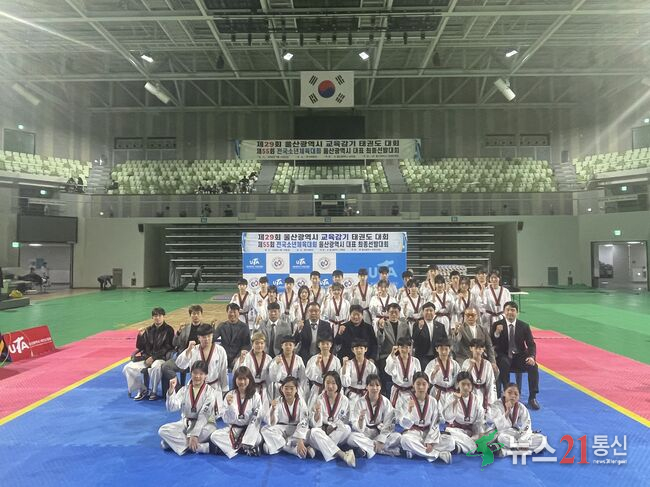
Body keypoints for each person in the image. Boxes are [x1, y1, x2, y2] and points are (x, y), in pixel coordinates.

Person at [159, 361, 220, 455]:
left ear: (206, 375)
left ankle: (175, 443)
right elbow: (172, 408)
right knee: (163, 430)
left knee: (209, 432)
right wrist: (171, 391)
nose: (197, 376)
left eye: (201, 374)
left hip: (205, 425)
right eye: (195, 373)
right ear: (191, 373)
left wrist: (194, 435)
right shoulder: (184, 390)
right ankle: (201, 447)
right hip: (186, 423)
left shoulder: (211, 392)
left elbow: (204, 415)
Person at [491, 301, 540, 410]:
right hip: (503, 355)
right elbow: (492, 343)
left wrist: (531, 357)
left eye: (513, 310)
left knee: (533, 366)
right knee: (504, 363)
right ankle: (507, 395)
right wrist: (497, 333)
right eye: (508, 310)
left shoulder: (524, 326)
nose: (510, 312)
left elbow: (531, 344)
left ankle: (532, 397)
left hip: (519, 357)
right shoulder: (497, 325)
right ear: (504, 312)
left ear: (517, 313)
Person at [397, 371, 454, 464]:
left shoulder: (433, 401)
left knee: (450, 441)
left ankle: (415, 451)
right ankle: (437, 454)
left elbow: (435, 423)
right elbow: (403, 425)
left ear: (428, 385)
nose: (421, 387)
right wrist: (409, 410)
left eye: (424, 384)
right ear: (413, 385)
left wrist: (430, 441)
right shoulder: (406, 400)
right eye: (418, 384)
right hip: (413, 433)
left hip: (428, 432)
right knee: (405, 440)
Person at [210, 366, 264, 457]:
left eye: (245, 379)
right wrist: (229, 406)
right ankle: (243, 448)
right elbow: (226, 420)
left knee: (258, 438)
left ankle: (233, 446)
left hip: (248, 429)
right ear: (235, 380)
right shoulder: (230, 395)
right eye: (239, 379)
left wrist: (249, 437)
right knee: (214, 436)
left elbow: (257, 417)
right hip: (233, 429)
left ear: (250, 379)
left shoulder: (255, 396)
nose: (242, 382)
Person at [123, 307, 174, 400]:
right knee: (128, 368)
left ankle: (154, 391)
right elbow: (140, 346)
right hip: (146, 357)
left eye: (160, 315)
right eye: (155, 316)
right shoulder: (148, 330)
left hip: (160, 357)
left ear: (163, 316)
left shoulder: (169, 330)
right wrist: (140, 336)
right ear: (152, 317)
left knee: (155, 367)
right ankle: (142, 389)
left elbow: (168, 347)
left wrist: (153, 357)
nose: (157, 318)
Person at [308, 371, 356, 467]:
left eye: (333, 383)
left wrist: (333, 426)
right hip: (322, 430)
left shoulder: (344, 400)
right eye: (328, 383)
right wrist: (317, 414)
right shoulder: (319, 398)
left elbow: (344, 420)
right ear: (324, 384)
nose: (330, 386)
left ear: (338, 384)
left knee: (347, 428)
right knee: (314, 431)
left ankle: (317, 448)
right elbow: (315, 423)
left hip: (336, 432)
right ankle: (342, 454)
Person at [347, 374, 401, 458]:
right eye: (371, 385)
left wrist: (381, 439)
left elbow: (389, 422)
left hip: (379, 432)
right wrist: (360, 421)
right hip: (364, 433)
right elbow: (355, 423)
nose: (374, 388)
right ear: (366, 387)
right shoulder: (360, 402)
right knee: (351, 438)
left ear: (380, 387)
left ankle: (367, 448)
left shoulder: (386, 402)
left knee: (398, 437)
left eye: (377, 385)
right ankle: (379, 448)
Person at [161, 305, 210, 395]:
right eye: (193, 314)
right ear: (190, 315)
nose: (195, 316)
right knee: (165, 366)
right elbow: (174, 343)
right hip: (184, 357)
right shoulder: (185, 328)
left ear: (201, 315)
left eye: (198, 314)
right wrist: (178, 332)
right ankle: (178, 388)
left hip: (199, 359)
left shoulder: (205, 329)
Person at [487, 383, 546, 456]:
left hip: (516, 434)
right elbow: (499, 426)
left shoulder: (521, 407)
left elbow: (527, 425)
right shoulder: (496, 405)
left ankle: (505, 451)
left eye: (516, 394)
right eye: (509, 393)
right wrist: (507, 411)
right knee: (501, 438)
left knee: (542, 439)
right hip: (502, 433)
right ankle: (525, 450)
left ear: (519, 396)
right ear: (504, 393)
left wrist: (522, 440)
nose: (513, 396)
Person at [261, 376, 312, 458]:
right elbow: (272, 423)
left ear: (296, 389)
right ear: (282, 389)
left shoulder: (301, 402)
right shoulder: (277, 401)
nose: (288, 391)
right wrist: (272, 410)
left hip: (296, 430)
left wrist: (300, 440)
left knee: (267, 448)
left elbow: (304, 421)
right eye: (286, 388)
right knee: (265, 429)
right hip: (281, 429)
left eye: (291, 388)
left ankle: (277, 445)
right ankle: (293, 449)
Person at [175, 323, 228, 396]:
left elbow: (223, 371)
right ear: (199, 337)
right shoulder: (193, 350)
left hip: (214, 387)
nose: (207, 339)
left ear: (212, 335)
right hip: (195, 386)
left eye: (209, 336)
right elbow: (181, 365)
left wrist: (225, 390)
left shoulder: (220, 350)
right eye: (203, 337)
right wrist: (188, 350)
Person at [441, 371, 486, 454]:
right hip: (456, 430)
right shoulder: (451, 397)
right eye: (463, 384)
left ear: (472, 386)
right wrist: (455, 402)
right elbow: (447, 418)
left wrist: (481, 435)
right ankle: (470, 446)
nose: (465, 387)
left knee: (490, 433)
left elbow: (480, 420)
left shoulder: (477, 399)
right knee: (451, 433)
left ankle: (458, 447)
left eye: (468, 384)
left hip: (471, 432)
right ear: (458, 384)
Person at [375, 302, 409, 392]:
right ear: (387, 313)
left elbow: (408, 341)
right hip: (386, 356)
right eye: (391, 312)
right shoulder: (383, 324)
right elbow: (379, 342)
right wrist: (381, 329)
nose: (393, 314)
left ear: (399, 313)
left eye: (396, 312)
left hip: (401, 356)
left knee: (400, 378)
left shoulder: (404, 325)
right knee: (387, 380)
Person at [461, 339, 497, 413]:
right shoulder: (466, 363)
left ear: (483, 349)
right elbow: (463, 380)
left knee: (484, 414)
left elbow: (490, 383)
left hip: (483, 393)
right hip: (471, 392)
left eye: (480, 348)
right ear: (471, 348)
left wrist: (490, 401)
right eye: (476, 348)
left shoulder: (487, 364)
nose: (478, 350)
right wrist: (471, 367)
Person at [385, 336, 421, 406]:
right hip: (398, 392)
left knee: (411, 411)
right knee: (396, 411)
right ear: (398, 348)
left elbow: (418, 377)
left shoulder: (415, 361)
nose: (404, 350)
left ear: (410, 348)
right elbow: (388, 370)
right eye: (402, 347)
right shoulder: (394, 360)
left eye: (407, 347)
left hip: (411, 391)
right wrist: (392, 354)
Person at [213, 303, 252, 369]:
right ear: (227, 313)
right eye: (230, 312)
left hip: (238, 356)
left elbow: (247, 345)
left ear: (238, 313)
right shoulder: (222, 326)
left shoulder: (244, 327)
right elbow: (212, 338)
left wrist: (238, 357)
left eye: (234, 312)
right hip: (223, 357)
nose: (232, 314)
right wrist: (212, 328)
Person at [305, 335, 342, 400]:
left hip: (331, 389)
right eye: (322, 344)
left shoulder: (336, 360)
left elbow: (338, 377)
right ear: (318, 345)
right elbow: (308, 375)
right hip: (317, 389)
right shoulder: (313, 359)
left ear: (331, 345)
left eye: (327, 344)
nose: (325, 346)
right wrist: (316, 364)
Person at [412, 302, 447, 368]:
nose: (428, 312)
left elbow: (445, 341)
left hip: (437, 355)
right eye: (426, 310)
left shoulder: (440, 326)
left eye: (431, 310)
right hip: (422, 356)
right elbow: (414, 341)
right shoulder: (417, 324)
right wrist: (420, 328)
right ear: (423, 312)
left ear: (434, 312)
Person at [242, 332, 273, 401]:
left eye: (262, 343)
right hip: (250, 388)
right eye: (257, 343)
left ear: (265, 344)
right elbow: (244, 375)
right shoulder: (247, 357)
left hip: (264, 389)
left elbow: (270, 378)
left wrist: (271, 395)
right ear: (252, 344)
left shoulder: (269, 358)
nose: (259, 345)